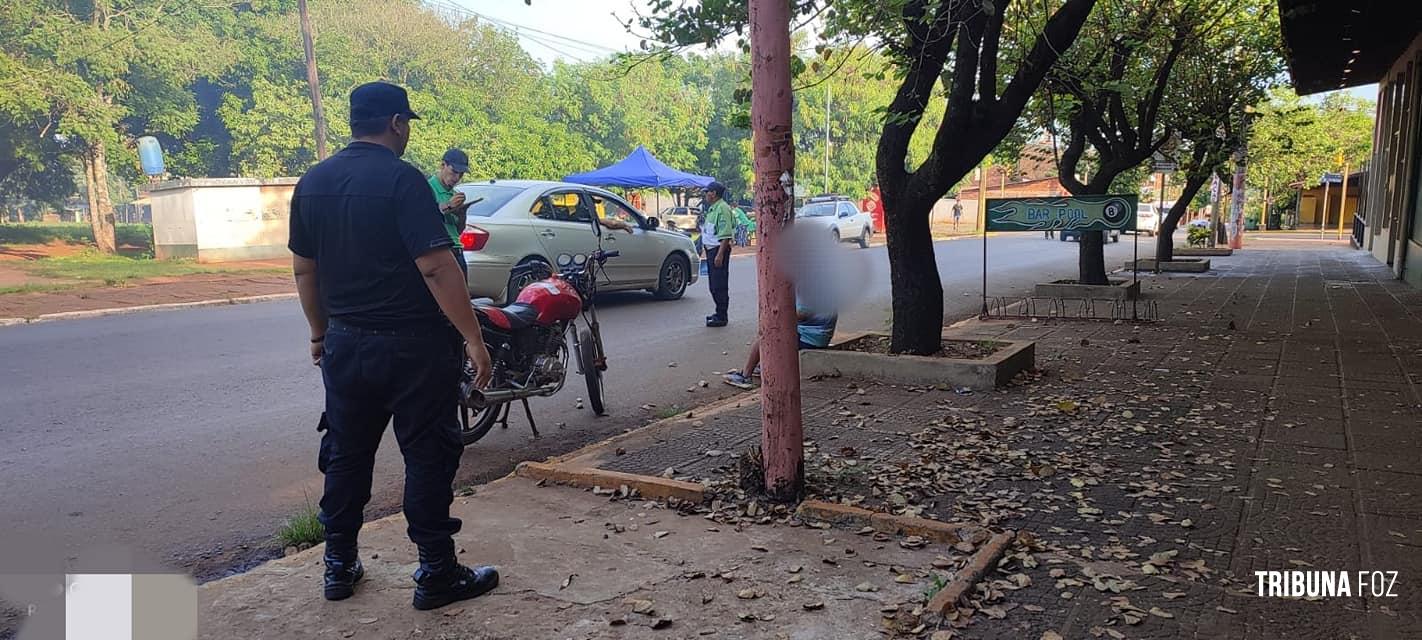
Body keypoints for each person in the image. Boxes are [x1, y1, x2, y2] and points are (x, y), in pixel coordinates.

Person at [289, 81, 498, 611]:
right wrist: (474, 338)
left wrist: (319, 332)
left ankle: (338, 565)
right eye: (407, 125)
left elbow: (304, 269)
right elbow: (435, 265)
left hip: (346, 345)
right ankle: (436, 571)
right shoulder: (404, 181)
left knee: (346, 456)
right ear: (398, 123)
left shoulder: (313, 182)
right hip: (414, 350)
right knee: (428, 454)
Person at [724, 300, 837, 389]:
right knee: (774, 328)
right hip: (817, 335)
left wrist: (774, 315)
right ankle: (764, 366)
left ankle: (745, 376)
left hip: (810, 336)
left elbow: (802, 313)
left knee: (766, 333)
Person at [427, 149, 470, 275]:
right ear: (442, 165)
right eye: (454, 171)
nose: (456, 178)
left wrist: (462, 214)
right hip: (438, 250)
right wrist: (449, 205)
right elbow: (425, 217)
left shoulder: (455, 195)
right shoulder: (427, 187)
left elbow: (458, 231)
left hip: (457, 250)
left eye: (461, 174)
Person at [701, 182, 735, 327]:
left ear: (713, 193)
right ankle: (718, 312)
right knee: (713, 284)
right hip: (711, 250)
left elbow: (726, 235)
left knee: (719, 284)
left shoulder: (722, 209)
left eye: (707, 192)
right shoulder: (713, 209)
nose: (705, 194)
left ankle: (722, 316)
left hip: (718, 250)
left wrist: (720, 255)